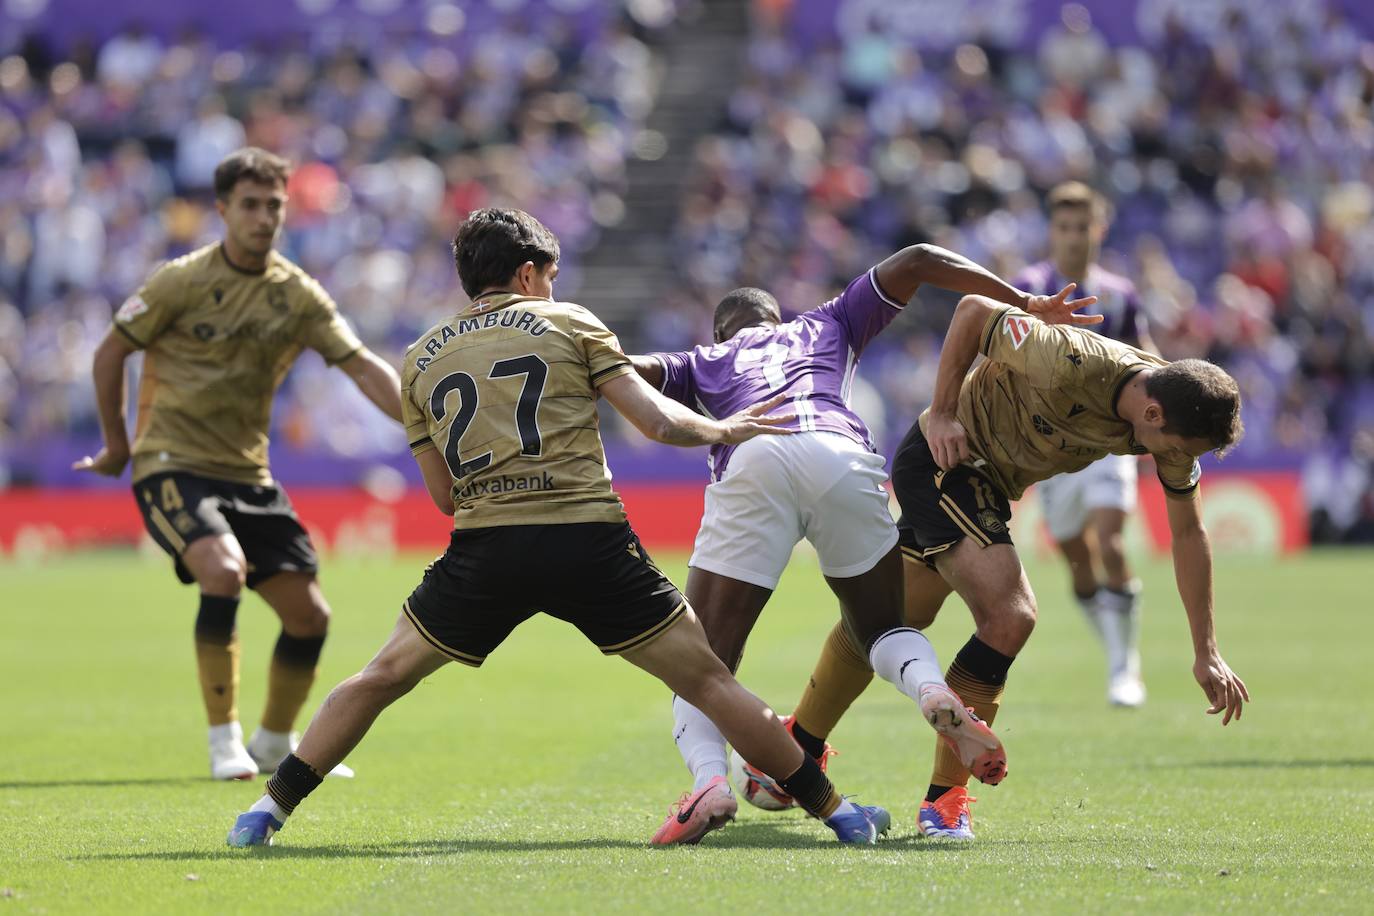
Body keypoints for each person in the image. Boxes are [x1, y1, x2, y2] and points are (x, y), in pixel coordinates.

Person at [227, 208, 890, 848]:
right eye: (549, 274)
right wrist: (726, 427)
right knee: (711, 680)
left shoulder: (421, 357)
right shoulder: (569, 322)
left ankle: (267, 810)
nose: (553, 288)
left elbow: (443, 498)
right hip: (588, 539)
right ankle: (841, 814)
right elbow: (657, 424)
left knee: (380, 677)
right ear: (525, 274)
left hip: (487, 547)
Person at [629, 244, 1100, 845]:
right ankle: (932, 691)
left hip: (752, 456)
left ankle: (708, 782)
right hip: (839, 452)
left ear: (720, 331)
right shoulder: (826, 322)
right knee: (881, 628)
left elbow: (614, 370)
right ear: (777, 319)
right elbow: (919, 259)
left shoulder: (701, 359)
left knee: (703, 662)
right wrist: (1025, 301)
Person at [782, 292, 1251, 840]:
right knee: (1011, 615)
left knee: (888, 619)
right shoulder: (1072, 357)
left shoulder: (1169, 421)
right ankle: (944, 801)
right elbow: (971, 311)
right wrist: (944, 413)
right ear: (1153, 414)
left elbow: (1190, 533)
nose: (1177, 459)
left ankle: (795, 752)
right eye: (1179, 447)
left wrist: (1207, 651)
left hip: (986, 484)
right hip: (947, 460)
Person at [74, 147, 403, 781]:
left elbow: (360, 364)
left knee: (310, 616)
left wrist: (423, 428)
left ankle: (275, 740)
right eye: (249, 205)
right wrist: (119, 445)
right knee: (222, 571)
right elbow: (110, 352)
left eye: (273, 205)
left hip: (249, 473)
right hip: (170, 461)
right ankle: (223, 739)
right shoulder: (180, 280)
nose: (263, 217)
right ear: (222, 210)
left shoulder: (298, 294)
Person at [1016, 182, 1158, 707]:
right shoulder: (1028, 285)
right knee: (1077, 557)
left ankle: (1125, 668)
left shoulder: (1120, 293)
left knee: (1112, 540)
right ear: (1053, 232)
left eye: (1083, 227)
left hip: (1107, 441)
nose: (1075, 238)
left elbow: (1143, 354)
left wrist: (1174, 388)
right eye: (1065, 227)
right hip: (1052, 448)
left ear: (1099, 230)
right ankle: (1116, 651)